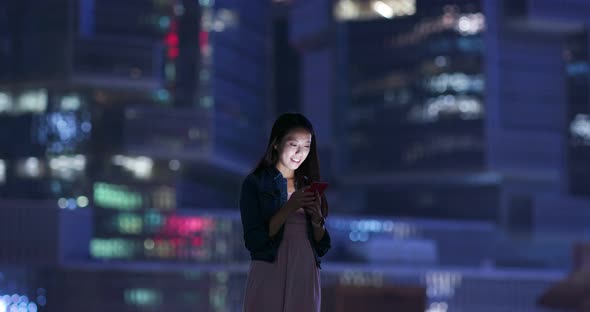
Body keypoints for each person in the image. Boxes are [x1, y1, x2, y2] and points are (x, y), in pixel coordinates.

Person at [240, 112, 331, 312]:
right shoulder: (255, 183)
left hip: (305, 268)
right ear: (276, 143)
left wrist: (317, 219)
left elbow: (322, 246)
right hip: (270, 265)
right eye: (293, 145)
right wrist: (290, 207)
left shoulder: (308, 185)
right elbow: (255, 240)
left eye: (306, 146)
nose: (300, 153)